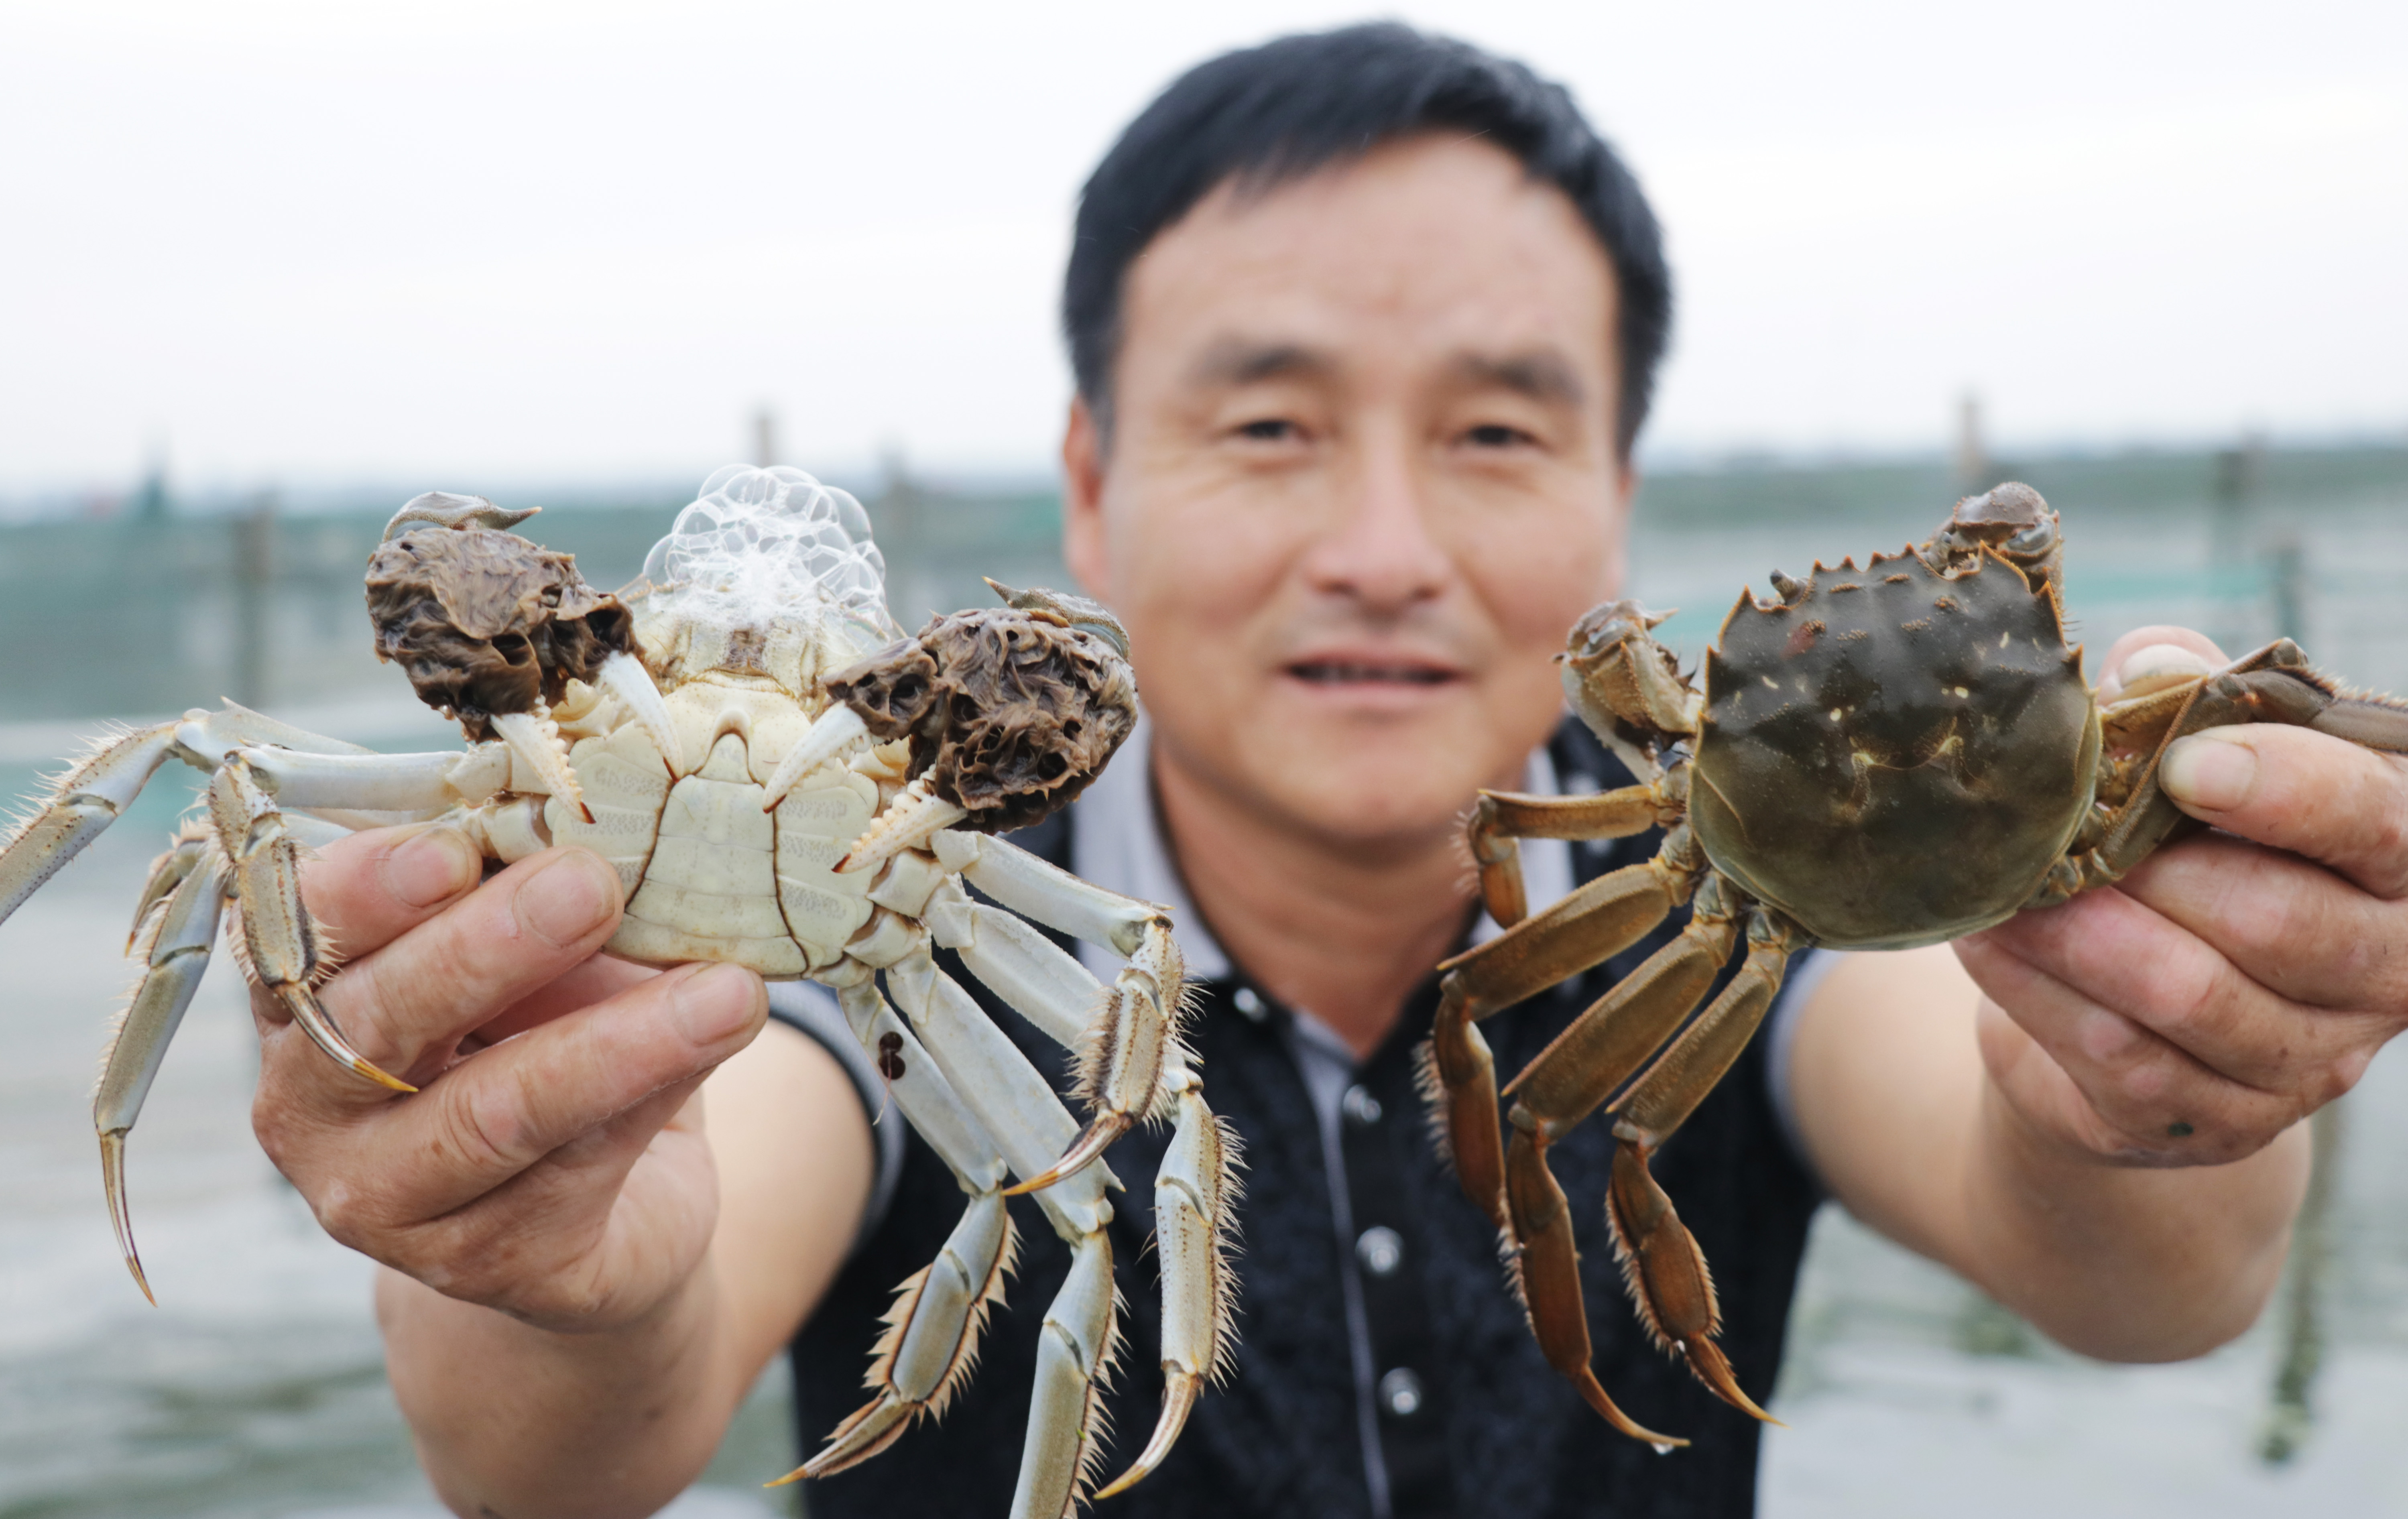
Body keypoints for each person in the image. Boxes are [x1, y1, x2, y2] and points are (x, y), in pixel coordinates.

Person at [246, 25, 2408, 1519]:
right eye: (1268, 426)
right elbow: (594, 1398)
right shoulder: (901, 913)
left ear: (1617, 497)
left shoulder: (1707, 877)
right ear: (1089, 493)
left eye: (1495, 431)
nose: (1382, 551)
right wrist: (555, 1256)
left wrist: (2172, 1078)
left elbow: (2139, 1258)